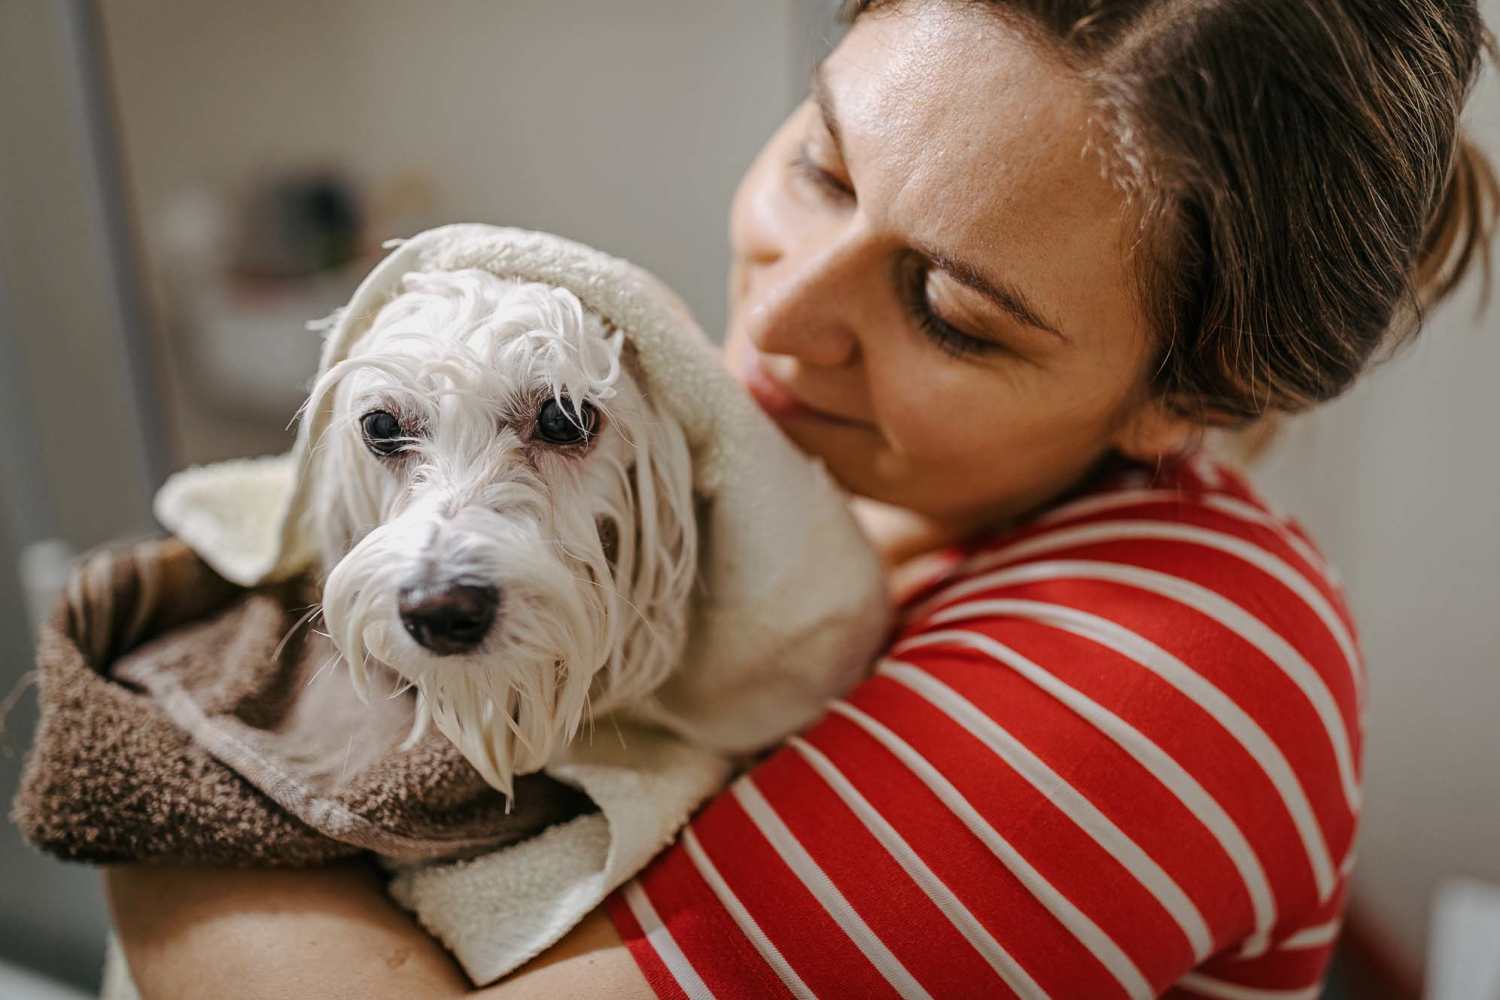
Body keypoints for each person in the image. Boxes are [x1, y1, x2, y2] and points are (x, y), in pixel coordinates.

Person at [105, 1, 1497, 996]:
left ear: (1187, 396)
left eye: (951, 310)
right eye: (824, 164)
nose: (778, 321)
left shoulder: (1192, 667)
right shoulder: (788, 505)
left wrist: (142, 739)